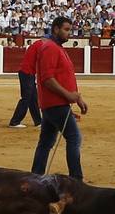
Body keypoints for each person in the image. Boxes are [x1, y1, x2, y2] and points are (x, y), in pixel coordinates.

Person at [29, 16, 89, 181]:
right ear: (55, 29)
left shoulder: (55, 48)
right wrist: (69, 95)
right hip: (56, 104)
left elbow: (62, 78)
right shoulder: (51, 48)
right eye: (66, 29)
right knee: (74, 138)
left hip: (52, 103)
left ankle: (35, 177)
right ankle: (76, 179)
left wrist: (77, 97)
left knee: (46, 143)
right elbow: (47, 79)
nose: (68, 33)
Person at [9, 33, 42, 129]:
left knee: (33, 98)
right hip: (27, 73)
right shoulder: (42, 46)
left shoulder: (37, 45)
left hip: (27, 73)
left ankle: (38, 121)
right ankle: (14, 121)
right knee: (26, 98)